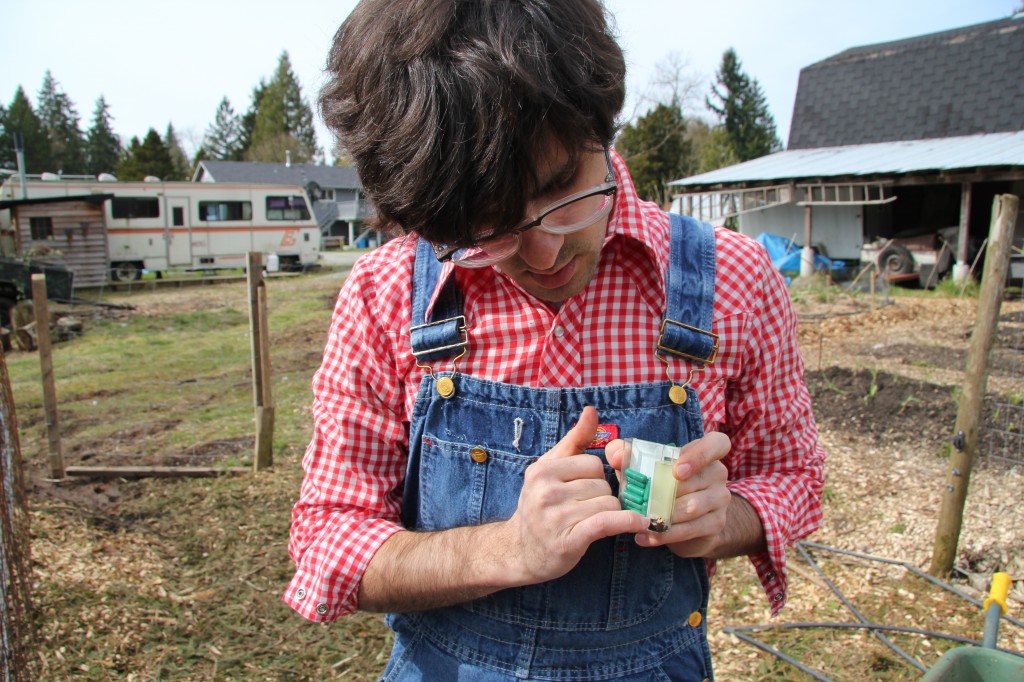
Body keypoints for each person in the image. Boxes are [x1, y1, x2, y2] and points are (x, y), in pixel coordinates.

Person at [285, 1, 825, 679]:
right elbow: (329, 539)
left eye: (562, 185)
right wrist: (506, 550)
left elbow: (793, 476)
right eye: (488, 225)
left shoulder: (735, 280)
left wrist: (728, 517)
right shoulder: (386, 291)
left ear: (601, 123)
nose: (544, 253)